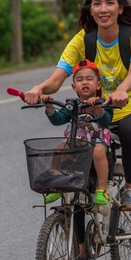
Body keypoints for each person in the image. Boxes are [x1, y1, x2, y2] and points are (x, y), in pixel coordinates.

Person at [25, 0, 131, 210]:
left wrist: (122, 90)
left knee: (130, 129)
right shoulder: (83, 39)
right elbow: (57, 78)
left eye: (109, 3)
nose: (103, 9)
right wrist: (39, 89)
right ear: (90, 9)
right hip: (94, 113)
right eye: (97, 4)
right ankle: (82, 245)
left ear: (120, 8)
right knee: (72, 158)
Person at [42, 59, 113, 205]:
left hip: (97, 140)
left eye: (89, 79)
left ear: (98, 84)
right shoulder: (72, 105)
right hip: (76, 141)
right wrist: (49, 108)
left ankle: (102, 188)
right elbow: (58, 119)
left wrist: (97, 108)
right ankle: (56, 183)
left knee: (98, 152)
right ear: (74, 87)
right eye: (80, 80)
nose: (85, 82)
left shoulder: (104, 101)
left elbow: (106, 121)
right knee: (60, 149)